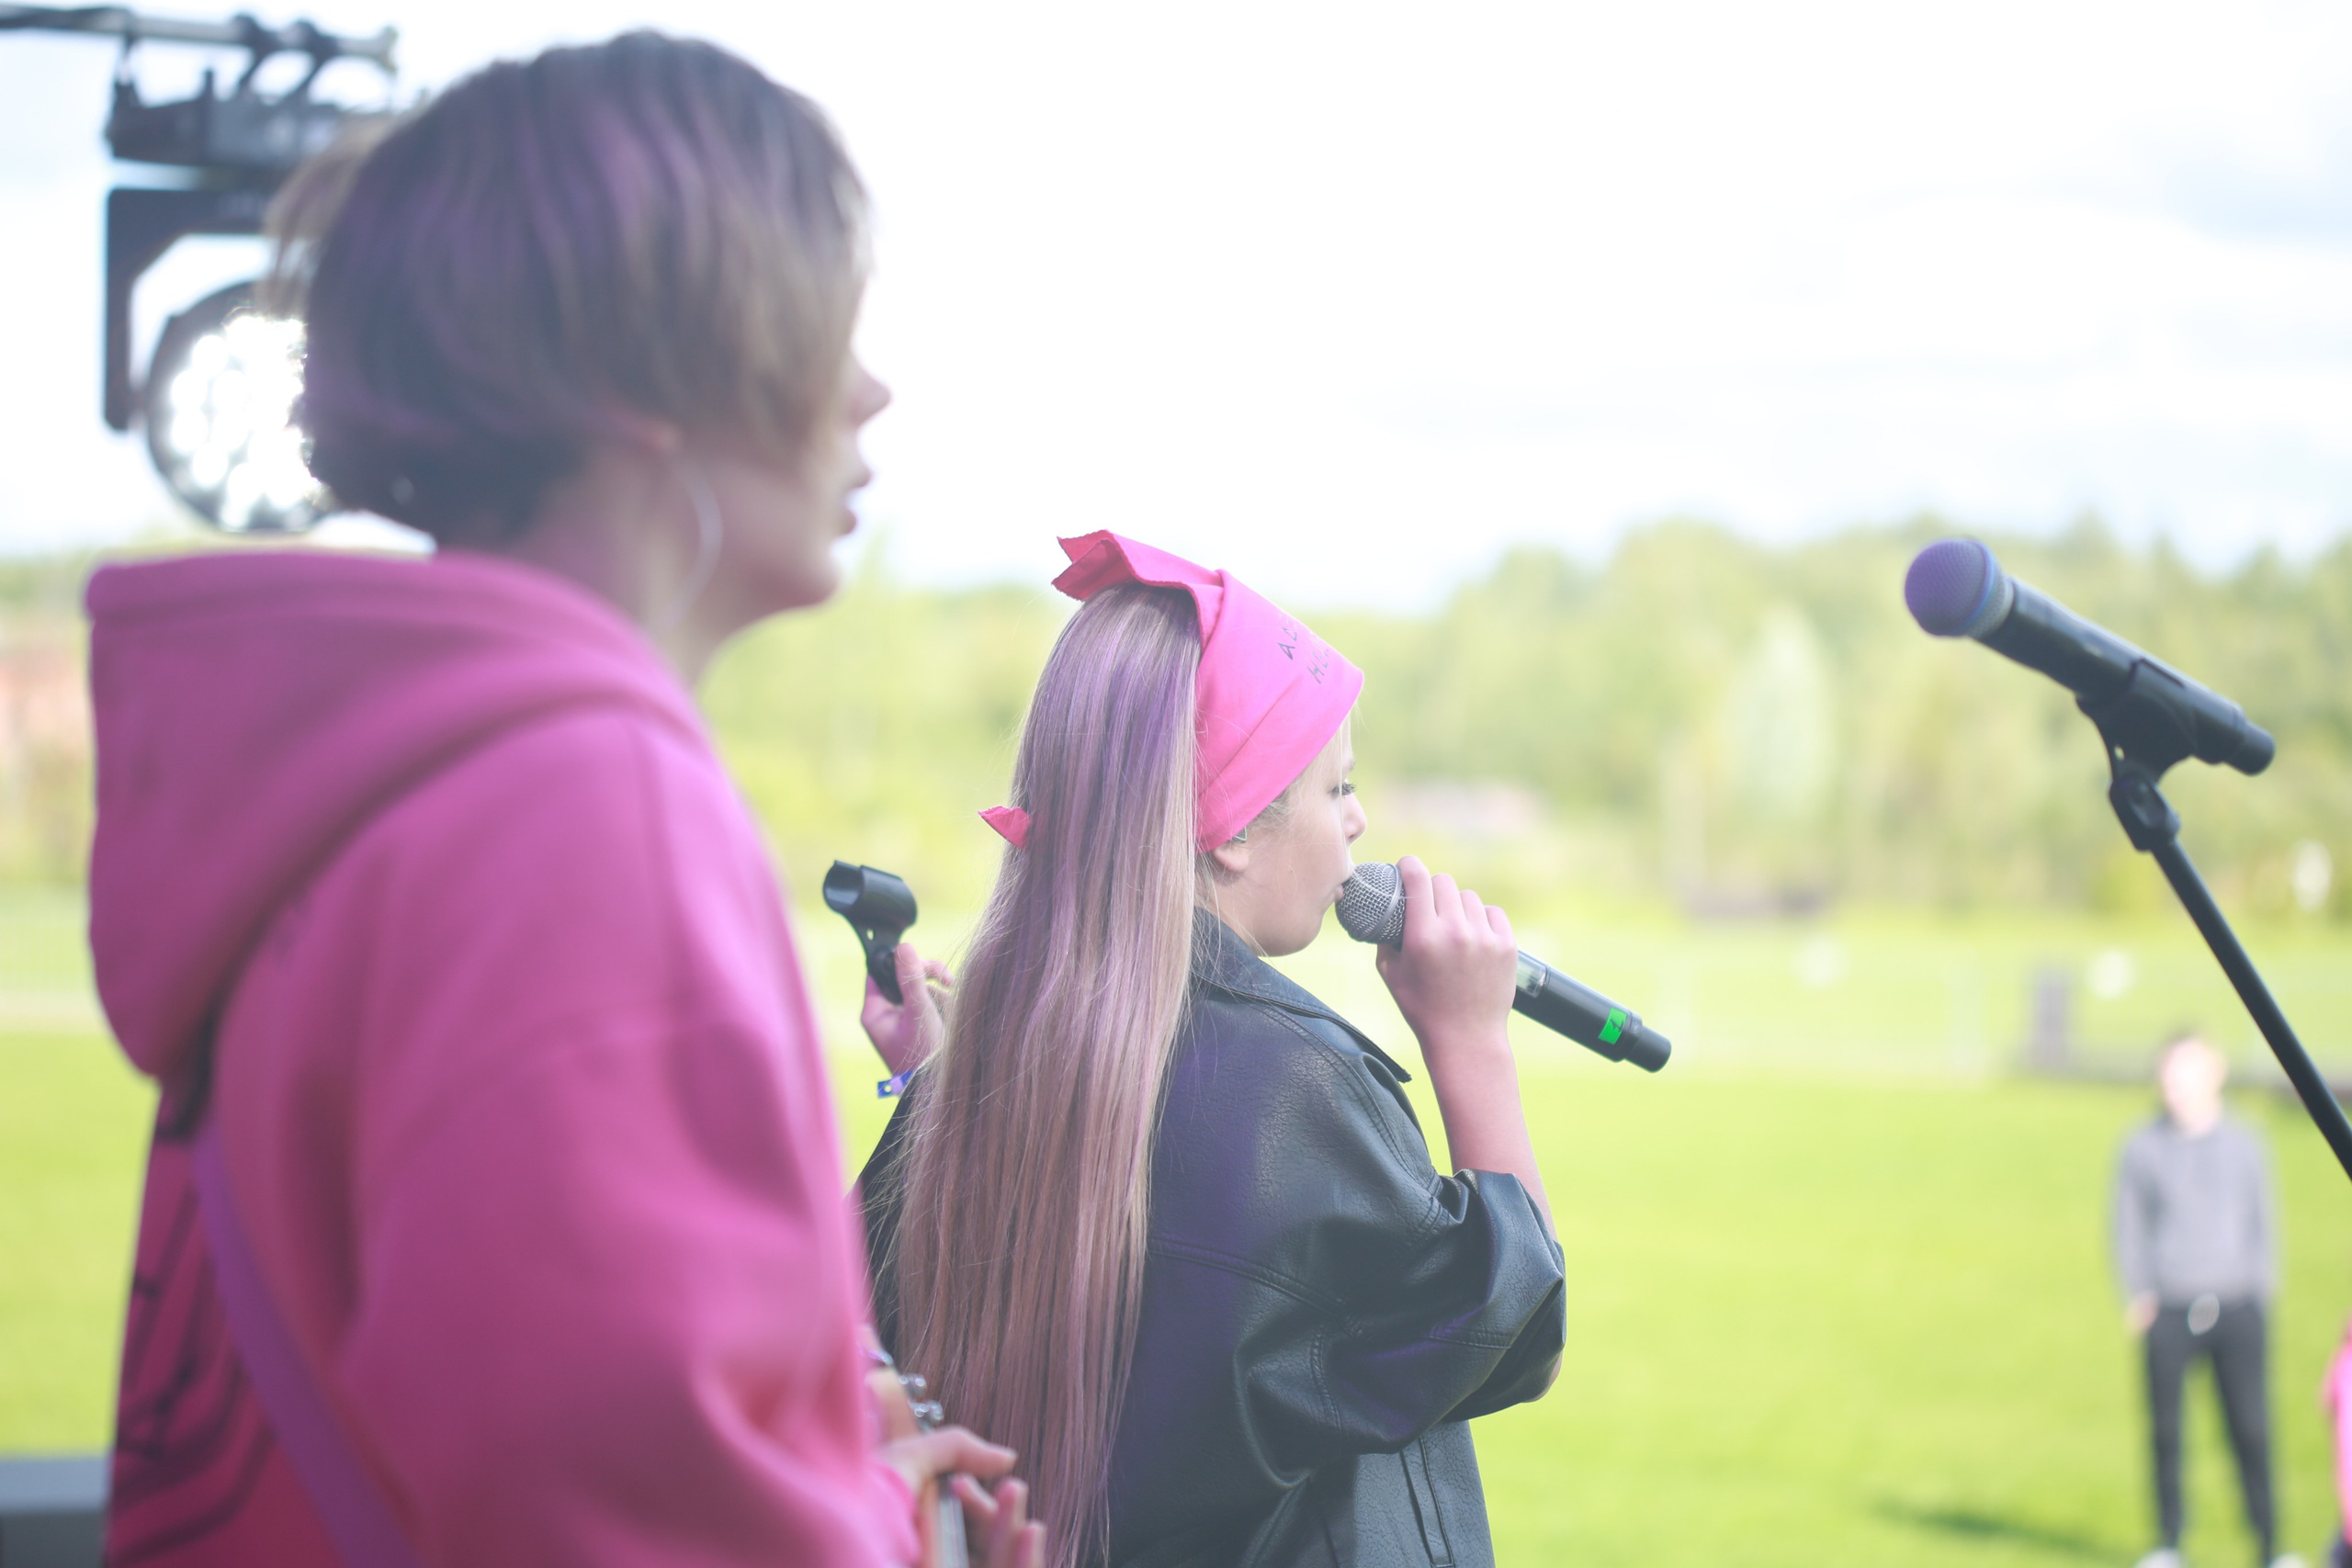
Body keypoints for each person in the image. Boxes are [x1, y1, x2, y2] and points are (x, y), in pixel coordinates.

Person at [89, 33, 1039, 1568]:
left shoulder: (378, 793)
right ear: (655, 370)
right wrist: (905, 1533)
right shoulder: (581, 809)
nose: (871, 389)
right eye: (822, 326)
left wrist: (814, 1462)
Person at [858, 532, 1567, 1568]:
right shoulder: (1299, 1092)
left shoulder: (978, 1072)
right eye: (1336, 791)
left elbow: (859, 1307)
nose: (1360, 821)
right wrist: (1470, 1043)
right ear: (1233, 828)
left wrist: (936, 1085)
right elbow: (1509, 1325)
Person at [2114, 1033, 2292, 1568]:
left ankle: (2270, 1544)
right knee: (2166, 1432)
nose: (2176, 1087)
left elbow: (2264, 1220)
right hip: (2168, 1307)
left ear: (2213, 1074)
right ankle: (2168, 1542)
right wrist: (2137, 1292)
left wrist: (2261, 1289)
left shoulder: (2244, 1143)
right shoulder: (2142, 1147)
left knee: (2251, 1428)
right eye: (2168, 1075)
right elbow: (2126, 1225)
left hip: (2237, 1305)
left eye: (2186, 1073)